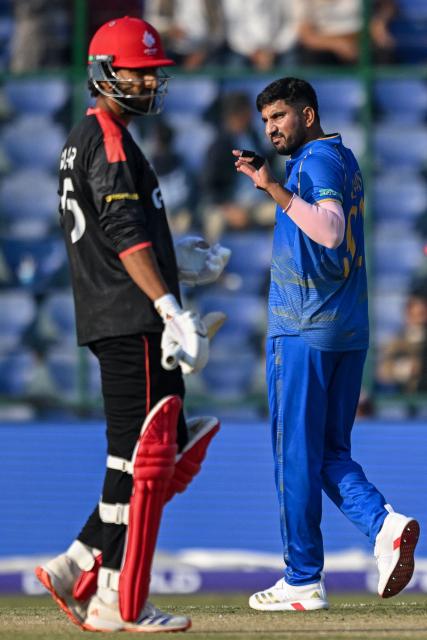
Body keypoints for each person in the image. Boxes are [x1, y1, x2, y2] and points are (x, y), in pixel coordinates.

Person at [34, 16, 230, 633]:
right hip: (133, 317)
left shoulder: (83, 137)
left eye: (152, 74)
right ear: (103, 74)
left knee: (136, 462)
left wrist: (178, 264)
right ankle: (118, 599)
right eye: (139, 74)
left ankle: (78, 565)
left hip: (112, 316)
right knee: (149, 461)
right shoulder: (109, 139)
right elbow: (121, 233)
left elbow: (118, 228)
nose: (149, 84)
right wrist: (169, 306)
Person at [233, 77, 420, 611]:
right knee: (328, 453)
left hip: (303, 332)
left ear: (308, 115)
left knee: (295, 455)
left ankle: (302, 579)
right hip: (346, 330)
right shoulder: (340, 158)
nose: (272, 129)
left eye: (280, 117)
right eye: (266, 120)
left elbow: (331, 230)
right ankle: (384, 526)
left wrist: (273, 189)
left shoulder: (313, 164)